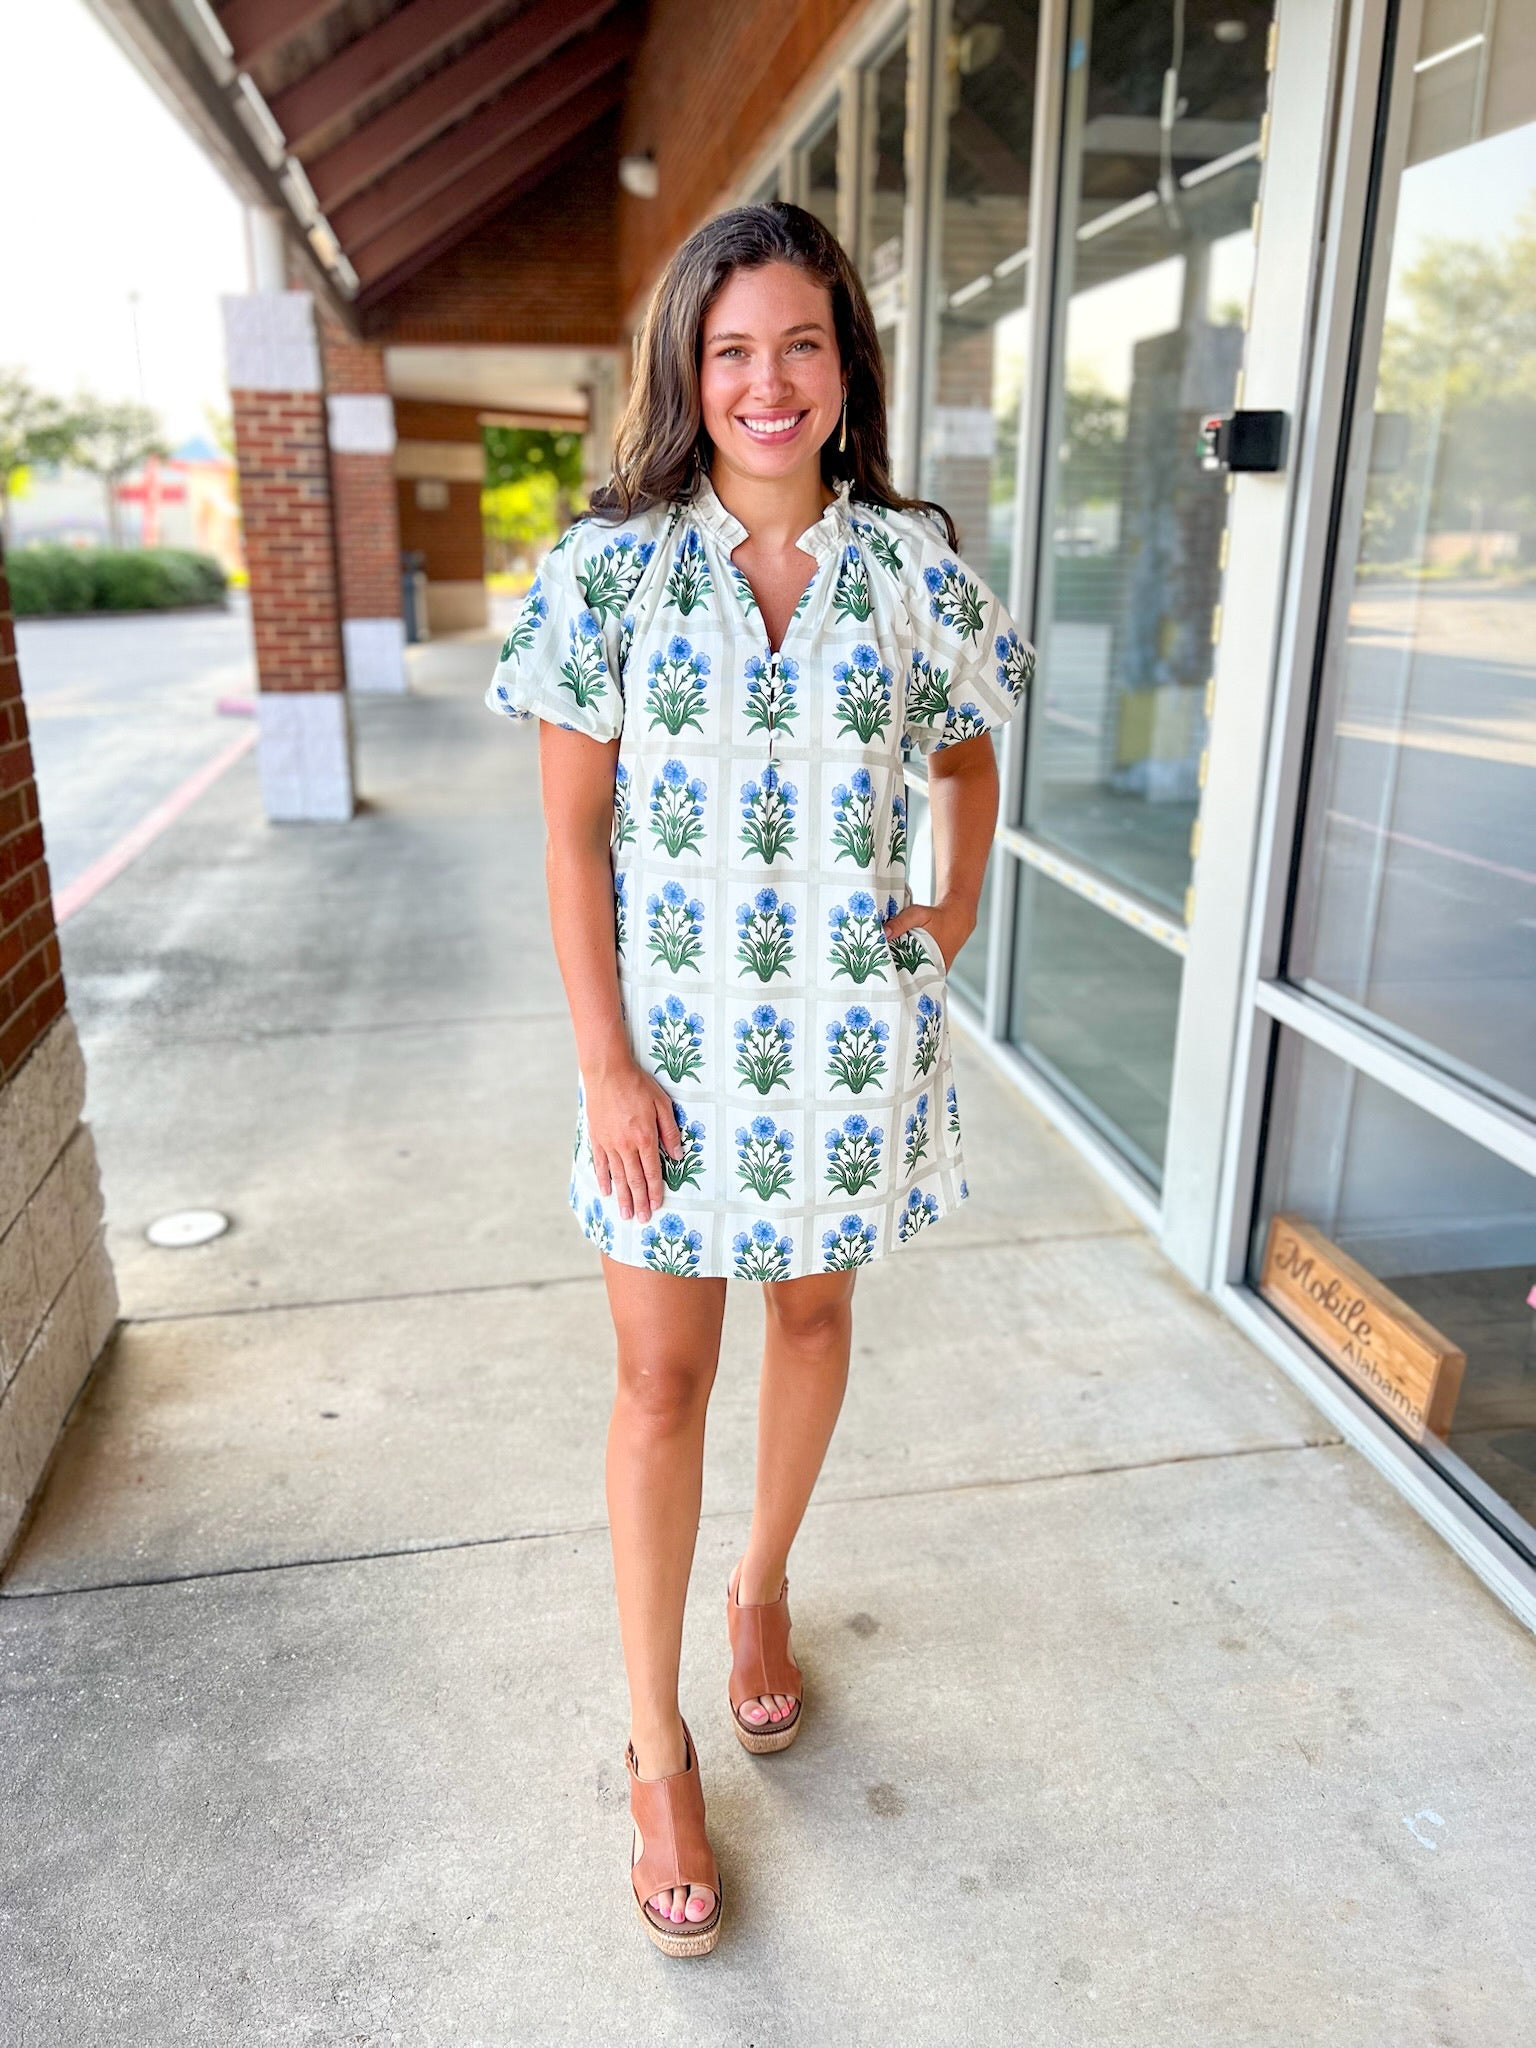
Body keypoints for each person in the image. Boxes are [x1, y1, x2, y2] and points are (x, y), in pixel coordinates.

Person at [484, 201, 1034, 1956]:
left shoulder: (915, 573)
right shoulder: (608, 576)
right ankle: (658, 1755)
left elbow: (969, 750)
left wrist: (949, 906)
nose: (768, 381)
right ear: (690, 372)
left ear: (845, 363)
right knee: (659, 1385)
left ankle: (763, 1585)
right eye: (732, 350)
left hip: (844, 1054)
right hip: (667, 1065)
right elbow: (571, 845)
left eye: (801, 342)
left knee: (810, 1322)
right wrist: (606, 1067)